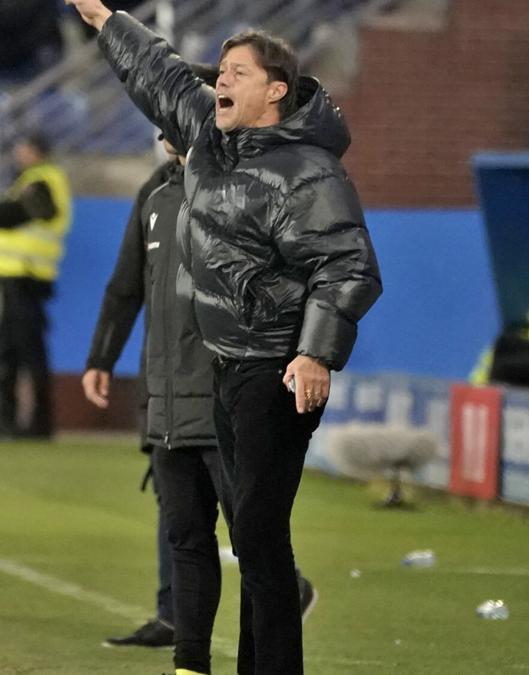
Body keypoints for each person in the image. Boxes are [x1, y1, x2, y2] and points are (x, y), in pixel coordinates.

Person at [66, 3, 383, 673]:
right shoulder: (208, 141)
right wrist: (106, 19)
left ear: (276, 89)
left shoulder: (309, 170)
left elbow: (350, 266)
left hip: (277, 368)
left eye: (237, 71)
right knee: (257, 540)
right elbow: (158, 73)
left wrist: (314, 350)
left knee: (260, 535)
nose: (220, 83)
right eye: (221, 72)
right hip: (226, 367)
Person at [83, 132, 316, 670]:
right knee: (186, 540)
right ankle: (189, 665)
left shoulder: (243, 190)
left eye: (172, 115)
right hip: (167, 405)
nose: (161, 130)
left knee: (253, 542)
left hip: (227, 399)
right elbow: (126, 285)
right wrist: (101, 358)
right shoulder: (154, 194)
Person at [0, 133, 71, 439]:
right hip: (18, 279)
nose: (19, 152)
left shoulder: (41, 181)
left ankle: (36, 424)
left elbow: (6, 215)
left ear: (36, 151)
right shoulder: (34, 180)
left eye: (24, 147)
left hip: (26, 277)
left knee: (26, 354)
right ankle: (11, 422)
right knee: (14, 352)